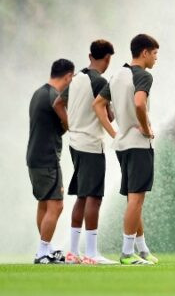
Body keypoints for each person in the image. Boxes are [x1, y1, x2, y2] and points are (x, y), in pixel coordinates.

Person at [93, 33, 159, 265]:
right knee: (136, 199)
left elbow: (98, 104)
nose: (156, 59)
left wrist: (115, 133)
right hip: (139, 144)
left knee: (133, 197)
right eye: (154, 53)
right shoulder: (144, 76)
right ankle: (126, 252)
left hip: (123, 145)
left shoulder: (118, 74)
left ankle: (141, 249)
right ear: (144, 53)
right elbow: (139, 103)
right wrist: (146, 127)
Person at [53, 40, 117, 265]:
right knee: (94, 197)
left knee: (82, 195)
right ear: (107, 59)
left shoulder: (77, 78)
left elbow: (57, 104)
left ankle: (72, 252)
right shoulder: (100, 81)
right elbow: (109, 116)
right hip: (91, 144)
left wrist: (72, 124)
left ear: (90, 55)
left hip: (76, 142)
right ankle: (91, 252)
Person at [28, 58, 75, 264]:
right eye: (71, 78)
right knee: (56, 205)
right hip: (47, 157)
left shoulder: (39, 93)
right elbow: (68, 124)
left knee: (44, 204)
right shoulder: (54, 96)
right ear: (67, 76)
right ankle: (42, 251)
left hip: (34, 156)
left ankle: (47, 248)